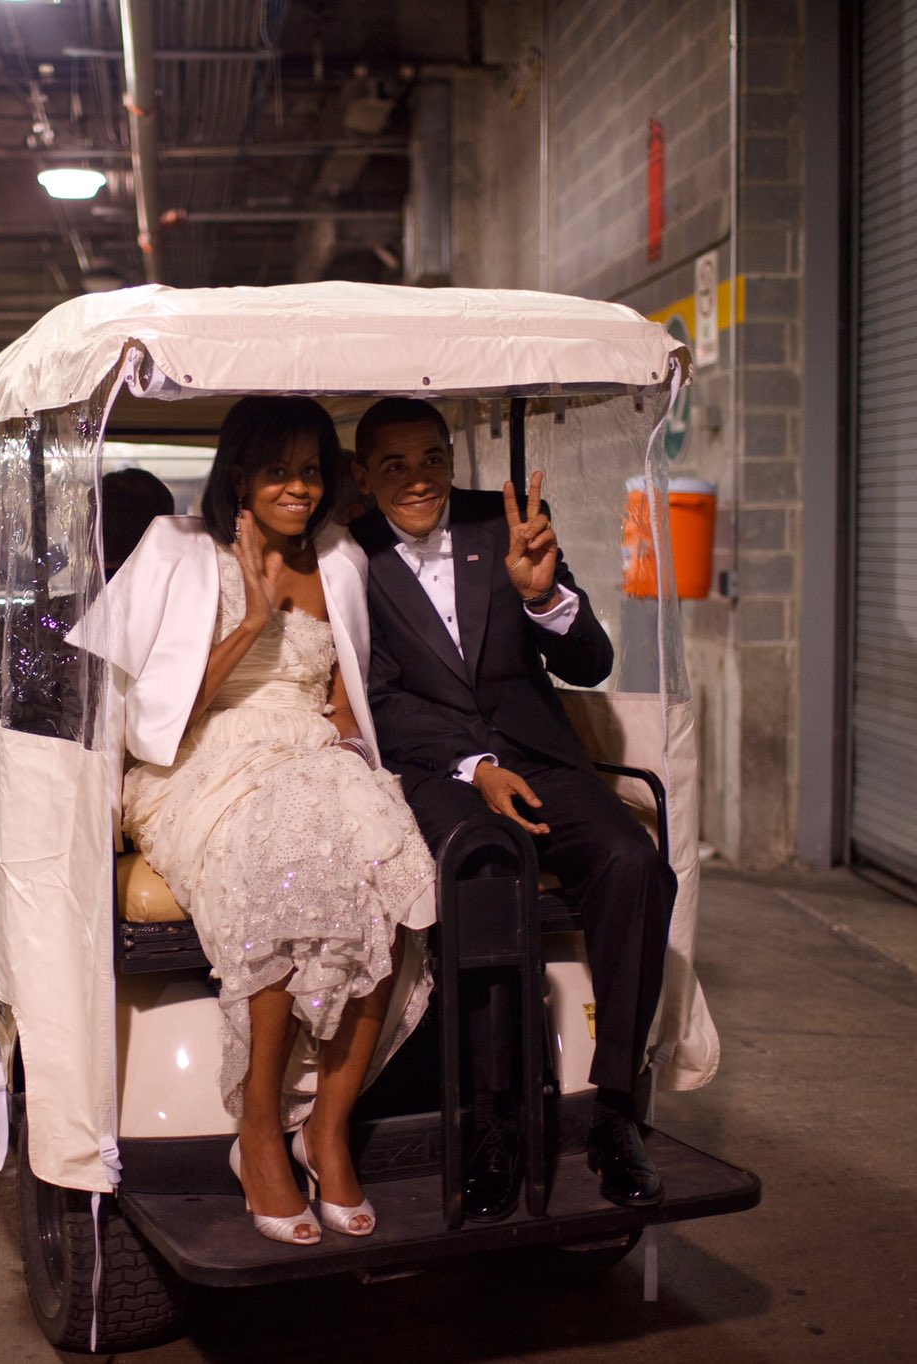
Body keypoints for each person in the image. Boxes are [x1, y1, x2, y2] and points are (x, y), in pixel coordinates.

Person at [72, 396, 435, 1246]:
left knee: (398, 872)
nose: (299, 488)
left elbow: (343, 699)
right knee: (282, 870)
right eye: (278, 471)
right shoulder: (176, 546)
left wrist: (352, 769)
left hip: (311, 750)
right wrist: (252, 625)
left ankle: (328, 1128)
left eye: (311, 471)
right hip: (198, 762)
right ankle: (260, 1132)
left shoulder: (340, 556)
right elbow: (150, 724)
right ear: (239, 476)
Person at [347, 396, 675, 1216]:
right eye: (394, 465)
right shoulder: (348, 554)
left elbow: (591, 663)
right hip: (438, 770)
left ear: (451, 456)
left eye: (431, 458)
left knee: (633, 860)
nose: (418, 479)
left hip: (540, 755)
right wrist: (476, 766)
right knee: (486, 871)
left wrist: (542, 596)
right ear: (364, 475)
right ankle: (496, 1120)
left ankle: (616, 1108)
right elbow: (377, 699)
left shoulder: (505, 524)